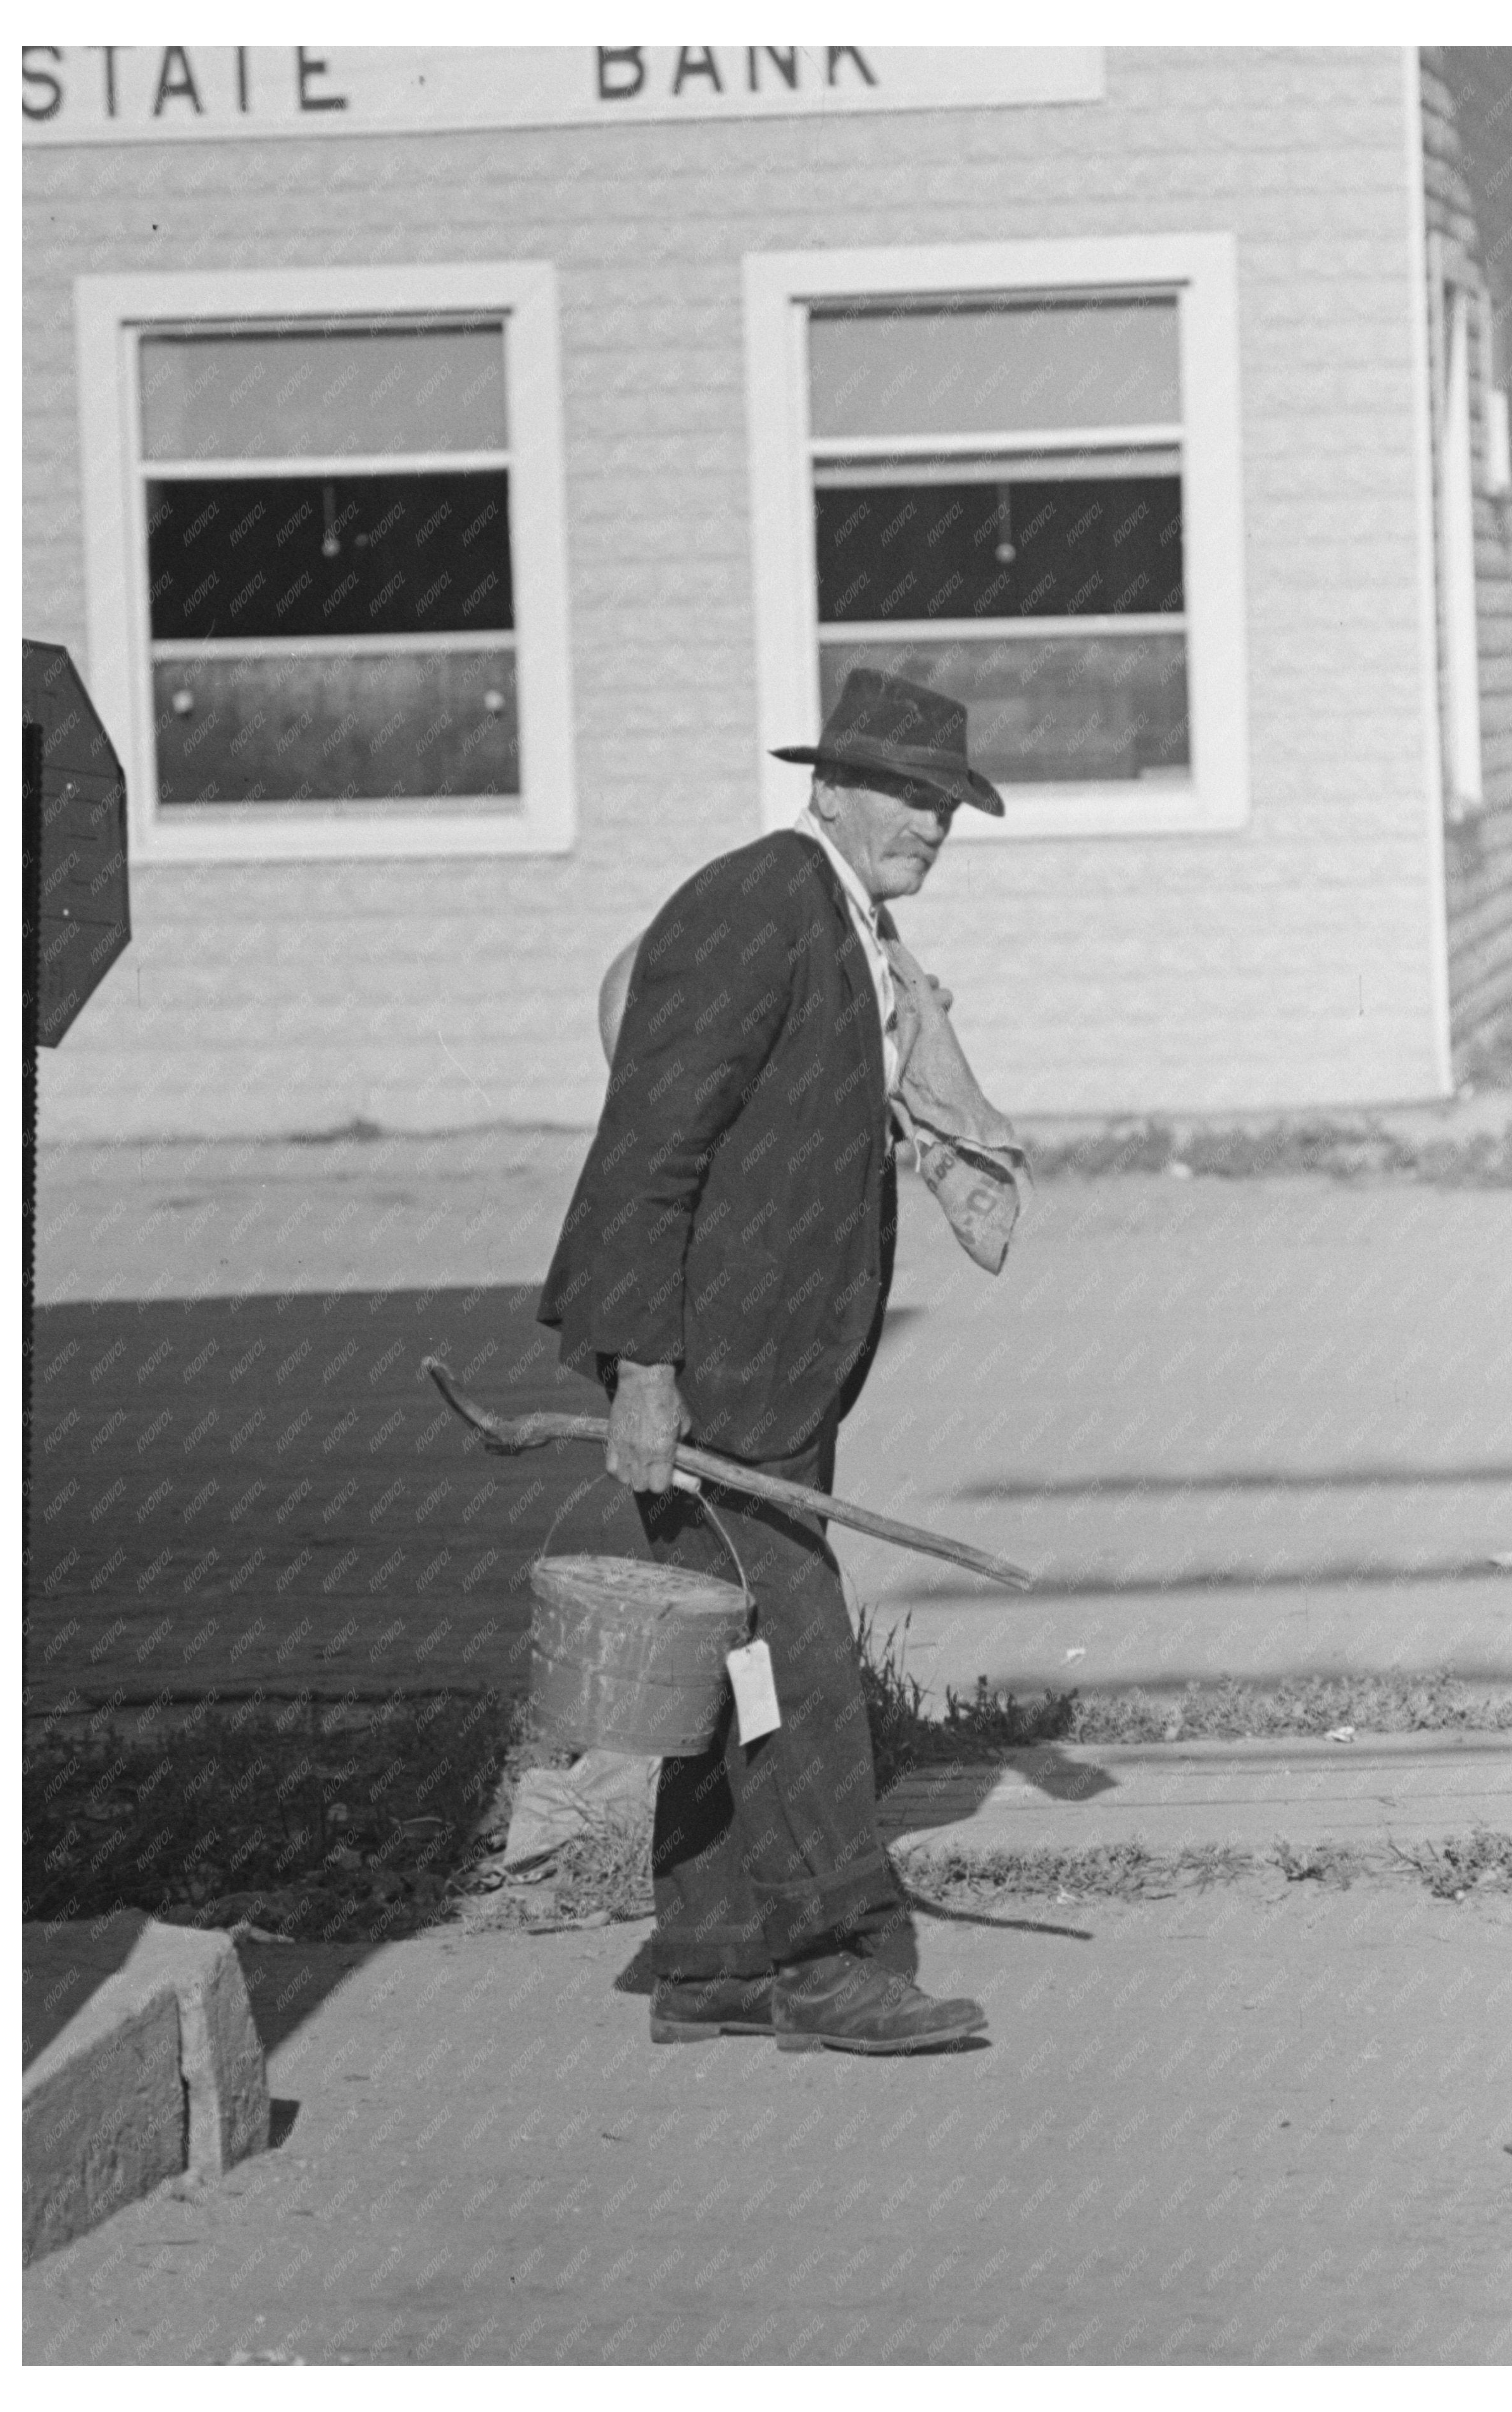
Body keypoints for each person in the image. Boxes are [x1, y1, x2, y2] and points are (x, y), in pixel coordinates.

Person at [537, 668, 1004, 2054]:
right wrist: (644, 1367)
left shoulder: (845, 924)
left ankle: (717, 1956)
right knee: (793, 1658)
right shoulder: (758, 901)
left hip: (768, 1380)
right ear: (830, 788)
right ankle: (826, 1951)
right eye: (906, 794)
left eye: (947, 802)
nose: (929, 822)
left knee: (722, 1655)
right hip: (714, 1382)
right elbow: (650, 1147)